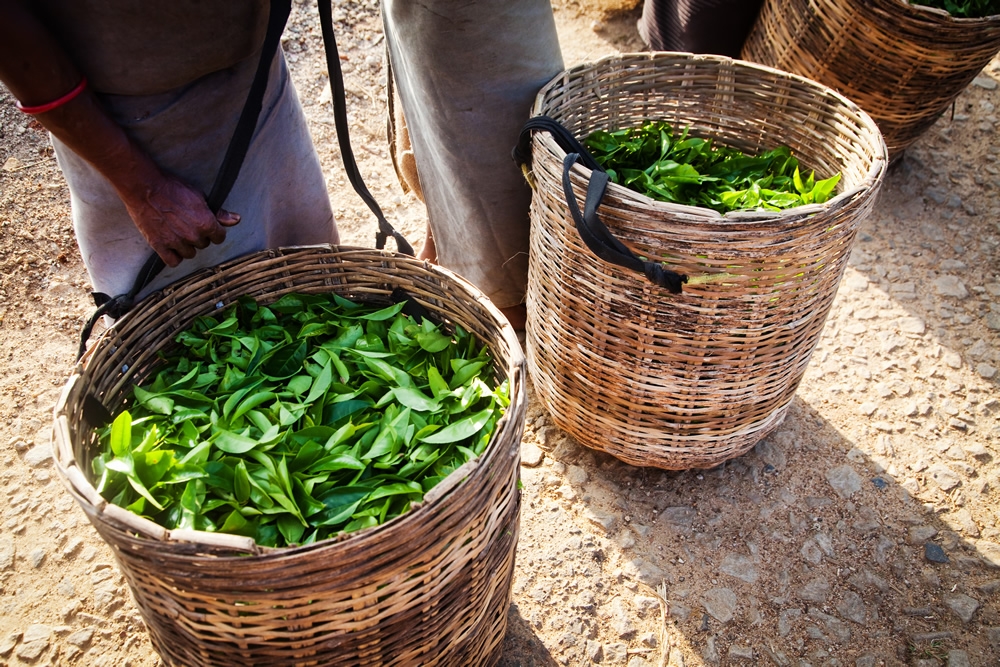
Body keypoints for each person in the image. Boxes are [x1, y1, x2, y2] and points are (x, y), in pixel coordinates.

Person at [0, 0, 564, 331]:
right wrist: (140, 186)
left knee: (306, 299)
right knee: (194, 329)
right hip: (136, 120)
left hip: (251, 81)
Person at [0, 0, 337, 304]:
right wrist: (142, 188)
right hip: (131, 127)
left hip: (258, 80)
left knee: (309, 272)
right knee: (172, 306)